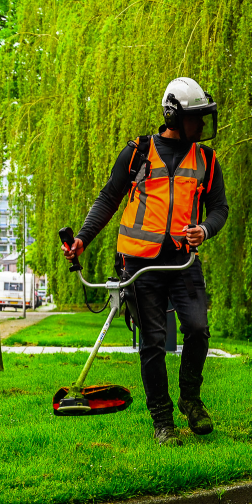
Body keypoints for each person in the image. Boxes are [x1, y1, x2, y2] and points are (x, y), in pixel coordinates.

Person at [61, 77, 228, 446]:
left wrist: (205, 229)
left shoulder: (207, 160)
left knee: (198, 329)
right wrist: (82, 239)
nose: (201, 126)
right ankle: (163, 421)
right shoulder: (138, 152)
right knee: (152, 342)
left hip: (183, 261)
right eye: (195, 118)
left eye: (205, 118)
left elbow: (219, 209)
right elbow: (108, 198)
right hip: (138, 262)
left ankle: (190, 398)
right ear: (173, 116)